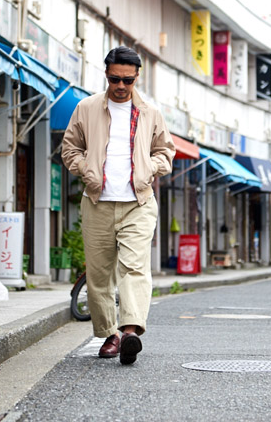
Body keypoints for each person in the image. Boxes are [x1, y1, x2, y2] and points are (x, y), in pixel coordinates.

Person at [62, 46, 175, 365]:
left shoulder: (151, 113)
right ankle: (109, 333)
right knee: (99, 276)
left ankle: (129, 332)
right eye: (115, 79)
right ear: (106, 75)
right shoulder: (86, 108)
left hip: (138, 203)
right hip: (97, 203)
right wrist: (86, 170)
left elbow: (165, 151)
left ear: (137, 77)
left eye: (127, 80)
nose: (121, 86)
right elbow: (70, 148)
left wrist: (150, 169)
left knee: (135, 266)